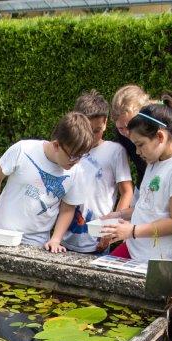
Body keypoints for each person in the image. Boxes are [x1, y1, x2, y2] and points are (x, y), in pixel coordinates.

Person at [97, 101, 172, 261]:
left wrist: (133, 231)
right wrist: (118, 215)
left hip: (158, 260)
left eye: (140, 144)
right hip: (135, 249)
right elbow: (148, 207)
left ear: (160, 136)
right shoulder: (154, 160)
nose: (137, 152)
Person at [0, 112, 96, 249]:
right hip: (3, 232)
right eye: (72, 156)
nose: (76, 162)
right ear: (56, 145)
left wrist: (56, 239)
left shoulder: (76, 171)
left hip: (37, 242)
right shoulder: (23, 149)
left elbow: (68, 208)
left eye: (81, 156)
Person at [47, 90, 133, 254]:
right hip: (65, 239)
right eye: (88, 130)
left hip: (97, 240)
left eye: (97, 130)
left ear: (106, 122)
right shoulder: (68, 151)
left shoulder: (115, 151)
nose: (92, 136)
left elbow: (127, 191)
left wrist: (112, 226)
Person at [111, 86, 172, 183]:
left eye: (131, 125)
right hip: (146, 183)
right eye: (121, 128)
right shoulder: (121, 134)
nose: (128, 133)